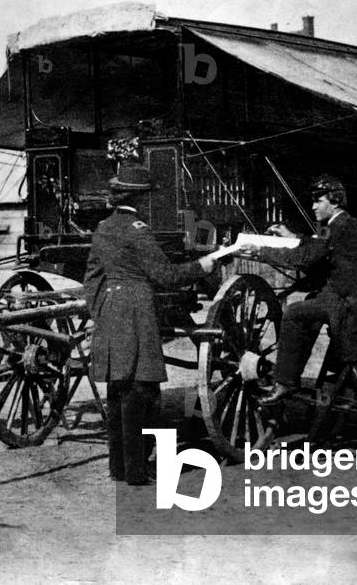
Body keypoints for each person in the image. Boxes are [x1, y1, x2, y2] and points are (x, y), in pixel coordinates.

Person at [83, 161, 217, 485]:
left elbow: (90, 279)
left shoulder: (103, 229)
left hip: (111, 311)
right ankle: (138, 471)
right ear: (140, 199)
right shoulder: (138, 231)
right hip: (137, 311)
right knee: (143, 391)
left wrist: (101, 311)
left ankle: (119, 468)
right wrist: (203, 265)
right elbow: (167, 276)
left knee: (117, 389)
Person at [251, 176, 357, 405]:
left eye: (319, 201)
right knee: (310, 304)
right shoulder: (345, 223)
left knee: (294, 313)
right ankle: (291, 374)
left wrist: (260, 250)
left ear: (335, 201)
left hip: (354, 307)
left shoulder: (337, 227)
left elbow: (304, 259)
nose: (313, 206)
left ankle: (285, 382)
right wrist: (293, 237)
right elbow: (318, 244)